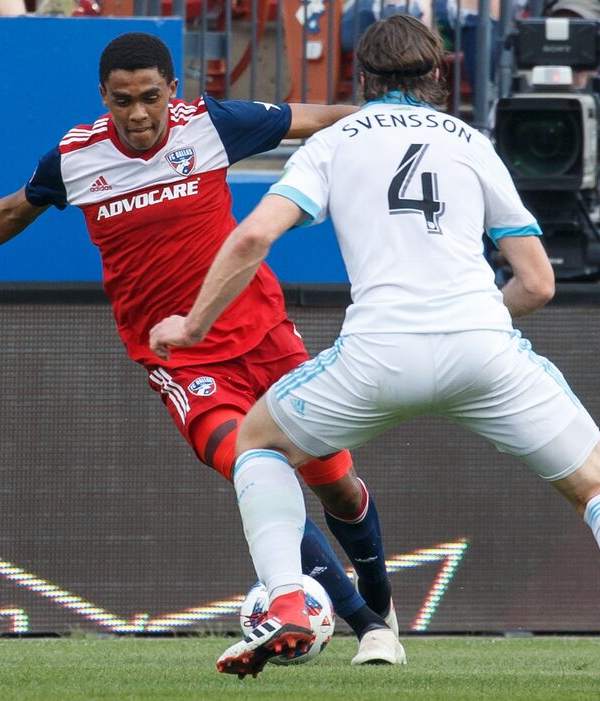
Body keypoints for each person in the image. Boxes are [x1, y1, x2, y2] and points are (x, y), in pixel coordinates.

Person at [0, 32, 404, 664]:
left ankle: (378, 597)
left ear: (173, 89)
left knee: (336, 484)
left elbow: (323, 120)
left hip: (268, 337)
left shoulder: (213, 124)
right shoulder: (76, 156)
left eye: (149, 98)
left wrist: (407, 121)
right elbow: (11, 212)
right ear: (102, 97)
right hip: (181, 359)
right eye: (121, 101)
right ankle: (364, 626)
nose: (137, 115)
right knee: (256, 470)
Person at [149, 13, 600, 677]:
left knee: (260, 441)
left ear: (361, 77)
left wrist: (191, 326)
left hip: (378, 355)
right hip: (485, 351)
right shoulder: (472, 141)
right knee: (592, 484)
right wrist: (472, 320)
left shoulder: (338, 138)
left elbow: (249, 239)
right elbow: (536, 282)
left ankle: (288, 601)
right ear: (439, 78)